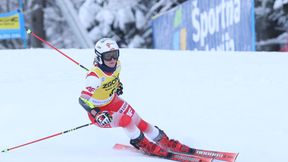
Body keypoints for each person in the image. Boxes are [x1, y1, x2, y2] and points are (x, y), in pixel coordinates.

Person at [79, 38, 193, 157]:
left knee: (139, 122)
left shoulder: (118, 65)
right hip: (99, 112)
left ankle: (164, 142)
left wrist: (117, 85)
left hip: (113, 101)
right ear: (99, 57)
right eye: (108, 56)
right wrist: (97, 113)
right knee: (126, 121)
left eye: (115, 54)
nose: (113, 59)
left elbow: (113, 78)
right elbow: (82, 99)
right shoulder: (94, 77)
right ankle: (143, 144)